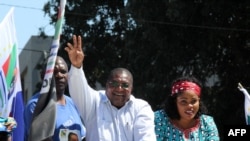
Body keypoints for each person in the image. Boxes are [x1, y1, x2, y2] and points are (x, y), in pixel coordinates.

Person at [64, 35, 156, 141]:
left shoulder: (141, 108)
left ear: (131, 88)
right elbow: (78, 88)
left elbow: (146, 137)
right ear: (107, 85)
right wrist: (76, 66)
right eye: (114, 84)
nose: (119, 89)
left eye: (125, 85)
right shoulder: (94, 102)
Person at [23, 56, 86, 141]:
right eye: (54, 72)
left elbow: (81, 135)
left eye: (63, 72)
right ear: (43, 76)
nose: (59, 75)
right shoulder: (36, 105)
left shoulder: (72, 103)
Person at [154, 76, 220, 141]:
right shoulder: (159, 119)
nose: (190, 106)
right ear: (174, 102)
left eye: (194, 101)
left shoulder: (207, 122)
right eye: (183, 101)